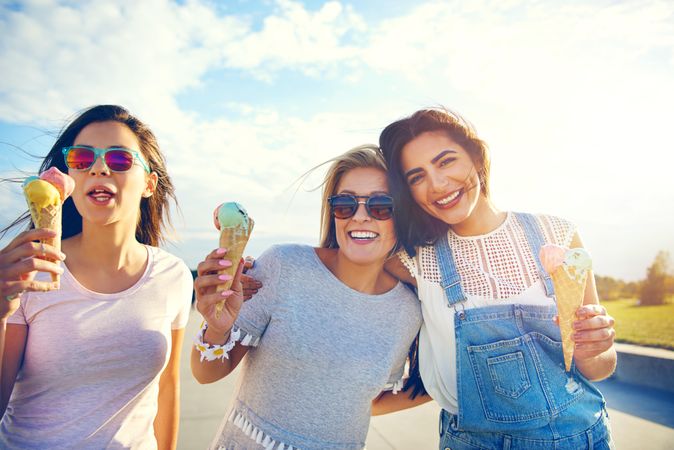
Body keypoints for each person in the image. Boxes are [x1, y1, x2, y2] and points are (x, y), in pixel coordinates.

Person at [378, 108, 617, 449]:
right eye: (416, 177)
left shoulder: (559, 235)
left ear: (476, 157)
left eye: (446, 161)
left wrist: (598, 346)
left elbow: (598, 369)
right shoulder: (414, 261)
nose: (438, 184)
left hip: (582, 438)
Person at [191, 145, 423, 450]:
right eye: (346, 204)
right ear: (334, 213)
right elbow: (206, 374)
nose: (361, 216)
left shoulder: (407, 312)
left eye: (382, 206)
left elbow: (367, 401)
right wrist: (217, 329)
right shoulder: (283, 266)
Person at [0, 105, 192, 449]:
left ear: (149, 184)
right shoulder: (28, 271)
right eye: (81, 159)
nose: (99, 167)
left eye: (119, 160)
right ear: (68, 180)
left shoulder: (173, 276)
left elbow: (167, 387)